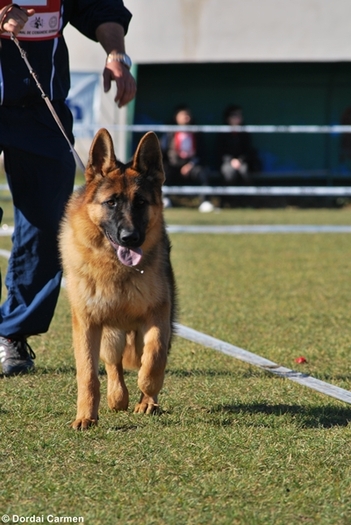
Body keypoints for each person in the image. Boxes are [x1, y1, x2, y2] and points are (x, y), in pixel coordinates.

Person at [0, 1, 136, 376]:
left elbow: (101, 7)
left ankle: (13, 333)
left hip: (41, 106)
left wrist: (117, 54)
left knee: (49, 222)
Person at [160, 105, 213, 211]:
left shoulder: (196, 133)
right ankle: (165, 199)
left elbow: (201, 153)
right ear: (176, 117)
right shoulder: (169, 133)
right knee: (163, 171)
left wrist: (191, 165)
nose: (186, 117)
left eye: (188, 115)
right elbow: (163, 151)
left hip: (191, 166)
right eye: (183, 115)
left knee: (203, 172)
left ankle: (205, 202)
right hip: (173, 166)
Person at [217, 105, 262, 186]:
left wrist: (240, 160)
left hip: (242, 161)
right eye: (235, 115)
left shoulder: (244, 133)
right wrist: (231, 160)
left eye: (240, 115)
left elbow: (247, 151)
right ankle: (227, 198)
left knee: (244, 171)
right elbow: (220, 152)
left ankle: (246, 198)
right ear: (228, 118)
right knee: (228, 172)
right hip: (227, 162)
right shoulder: (222, 133)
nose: (239, 118)